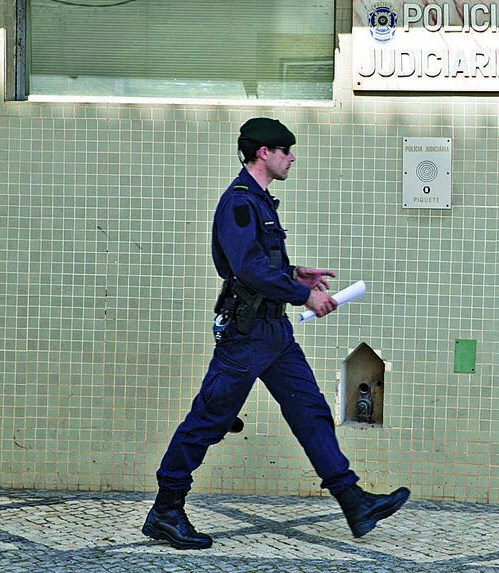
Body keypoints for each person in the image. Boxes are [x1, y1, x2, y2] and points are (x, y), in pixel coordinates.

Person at [141, 117, 409, 550]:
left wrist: (294, 274)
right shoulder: (240, 202)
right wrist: (303, 297)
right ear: (264, 153)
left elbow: (261, 265)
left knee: (311, 410)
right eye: (287, 150)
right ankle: (166, 511)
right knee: (208, 420)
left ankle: (353, 501)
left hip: (273, 332)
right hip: (246, 336)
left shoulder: (262, 201)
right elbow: (245, 268)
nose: (293, 157)